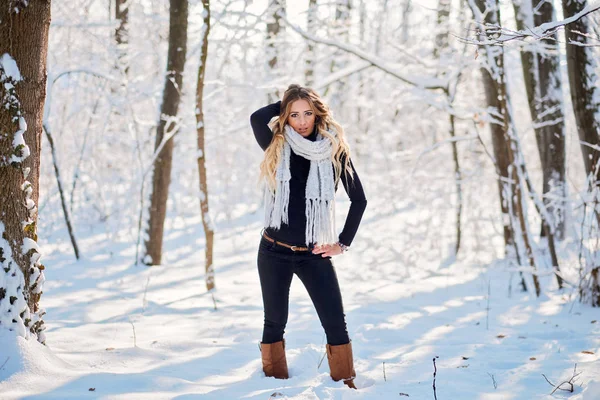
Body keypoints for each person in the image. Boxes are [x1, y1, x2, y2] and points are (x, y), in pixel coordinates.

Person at [249, 84, 367, 389]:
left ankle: (346, 386)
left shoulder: (333, 150)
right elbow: (256, 117)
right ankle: (272, 388)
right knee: (274, 322)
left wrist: (342, 244)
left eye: (308, 113)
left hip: (312, 254)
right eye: (294, 114)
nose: (301, 121)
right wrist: (288, 100)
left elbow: (359, 200)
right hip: (273, 250)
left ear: (318, 114)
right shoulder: (277, 144)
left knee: (335, 324)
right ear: (286, 116)